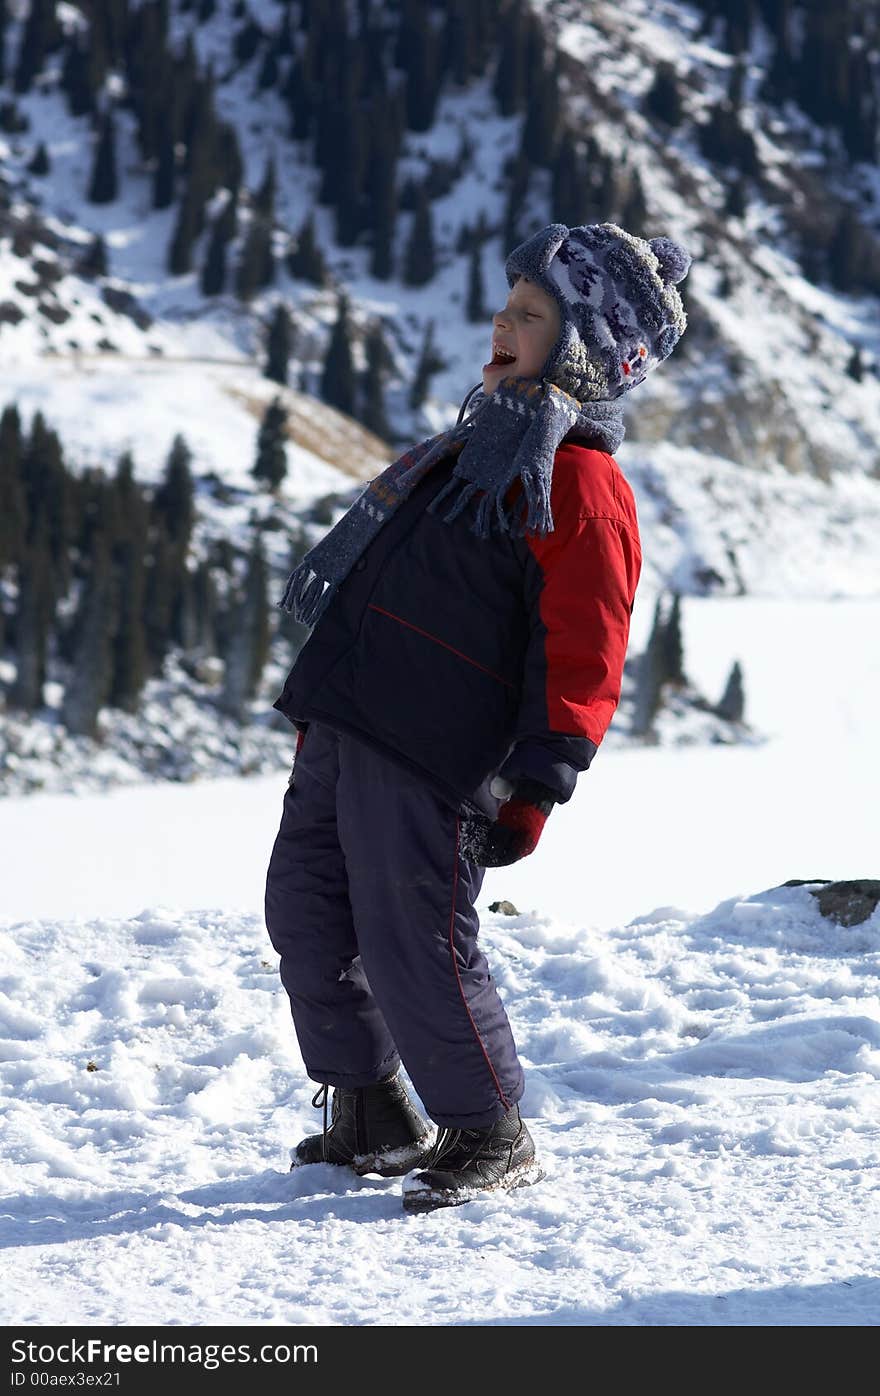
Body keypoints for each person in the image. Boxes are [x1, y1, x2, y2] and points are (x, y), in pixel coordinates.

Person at [265, 221, 691, 1213]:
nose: (502, 322)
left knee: (415, 937)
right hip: (353, 724)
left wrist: (540, 778)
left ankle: (488, 1127)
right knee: (307, 911)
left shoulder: (580, 480)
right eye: (505, 305)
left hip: (438, 754)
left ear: (582, 344)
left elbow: (584, 643)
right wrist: (323, 714)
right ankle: (371, 1110)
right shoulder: (467, 450)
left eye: (531, 313)